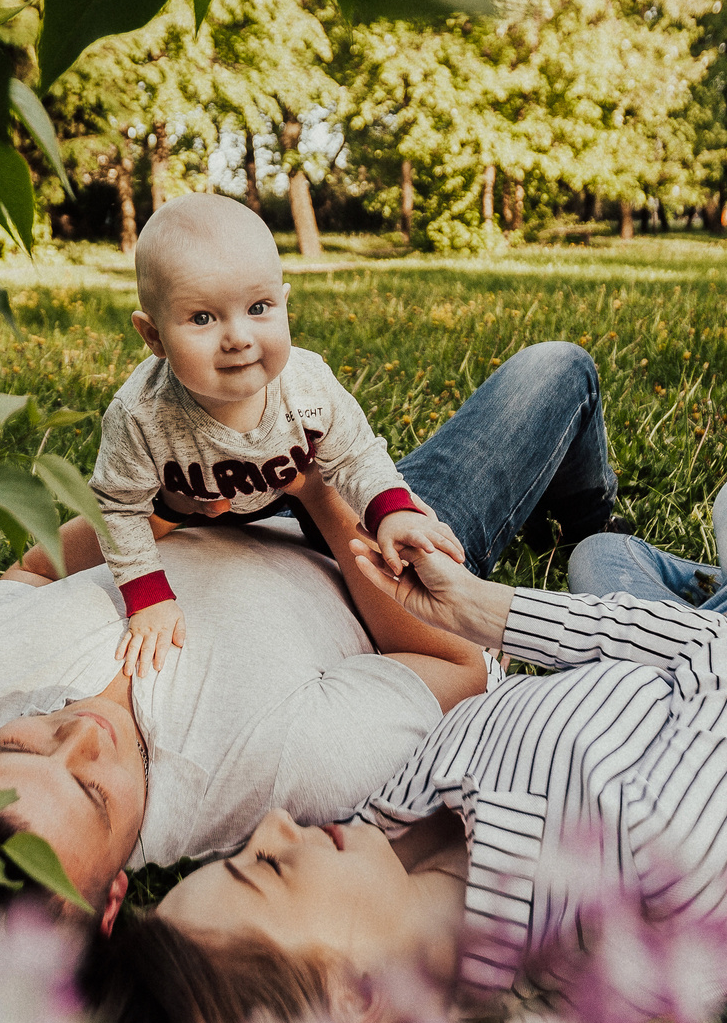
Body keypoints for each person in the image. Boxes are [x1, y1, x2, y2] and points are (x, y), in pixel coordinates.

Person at [78, 472, 727, 1023]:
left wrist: (463, 605)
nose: (277, 825)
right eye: (268, 865)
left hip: (654, 657)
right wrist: (491, 614)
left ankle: (720, 567)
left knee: (604, 551)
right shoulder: (664, 875)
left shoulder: (389, 824)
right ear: (357, 994)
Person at [0, 341, 624, 931]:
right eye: (92, 790)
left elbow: (32, 571)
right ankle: (590, 515)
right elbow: (458, 659)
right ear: (114, 897)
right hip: (369, 559)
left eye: (16, 743)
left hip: (207, 495)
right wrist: (314, 489)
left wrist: (167, 512)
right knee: (554, 369)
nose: (83, 731)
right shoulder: (277, 769)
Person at [53, 194, 462, 678]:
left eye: (259, 307)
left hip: (299, 490)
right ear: (154, 337)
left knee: (378, 560)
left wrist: (391, 509)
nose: (239, 337)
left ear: (285, 304)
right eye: (203, 318)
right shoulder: (141, 414)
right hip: (192, 505)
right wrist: (148, 598)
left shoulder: (307, 385)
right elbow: (119, 507)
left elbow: (355, 455)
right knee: (72, 549)